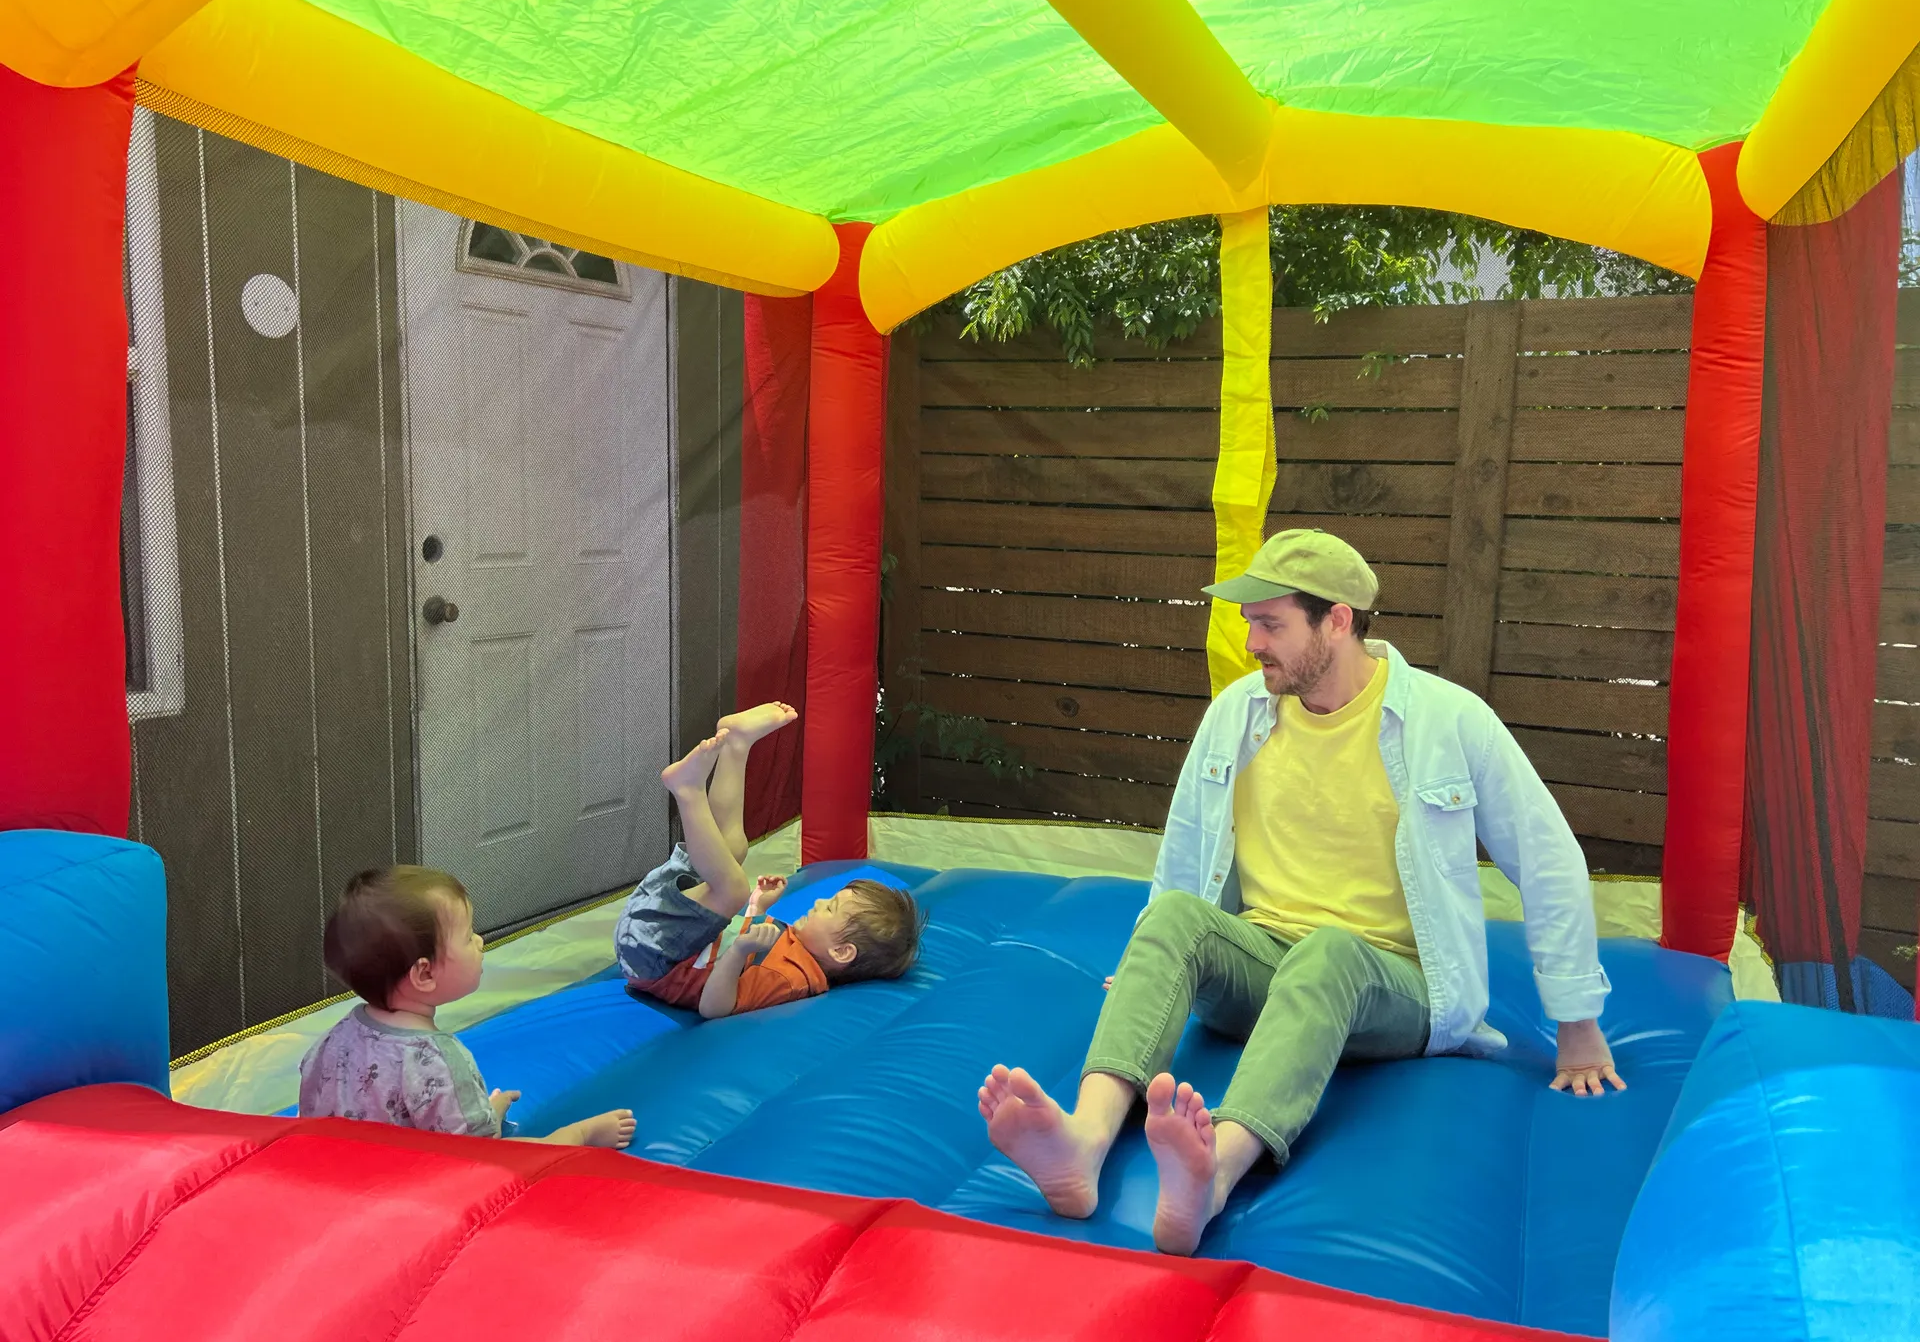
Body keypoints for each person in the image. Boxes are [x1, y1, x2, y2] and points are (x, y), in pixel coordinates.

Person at [977, 528, 1623, 1256]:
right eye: (1250, 622)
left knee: (1327, 954)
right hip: (1265, 961)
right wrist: (1148, 973)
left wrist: (1576, 1020)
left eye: (1272, 623)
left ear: (1337, 620)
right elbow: (1186, 848)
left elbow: (1548, 858)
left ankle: (1211, 1174)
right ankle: (1083, 1142)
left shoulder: (1449, 721)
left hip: (1395, 984)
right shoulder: (1237, 714)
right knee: (1172, 919)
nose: (1253, 643)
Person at [617, 704, 923, 1019]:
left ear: (841, 952)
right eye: (829, 900)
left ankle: (688, 791)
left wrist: (738, 953)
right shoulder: (797, 944)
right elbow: (730, 936)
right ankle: (737, 744)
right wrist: (758, 908)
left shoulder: (792, 977)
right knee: (734, 850)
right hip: (661, 934)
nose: (819, 902)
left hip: (652, 956)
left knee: (732, 886)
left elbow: (713, 1007)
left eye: (830, 908)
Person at [299, 866, 636, 1147]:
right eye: (468, 936)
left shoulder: (333, 1038)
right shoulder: (437, 1059)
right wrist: (571, 1135)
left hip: (342, 1185)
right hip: (410, 1196)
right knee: (524, 1154)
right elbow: (480, 1157)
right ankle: (578, 1135)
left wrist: (487, 1112)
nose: (480, 941)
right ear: (425, 973)